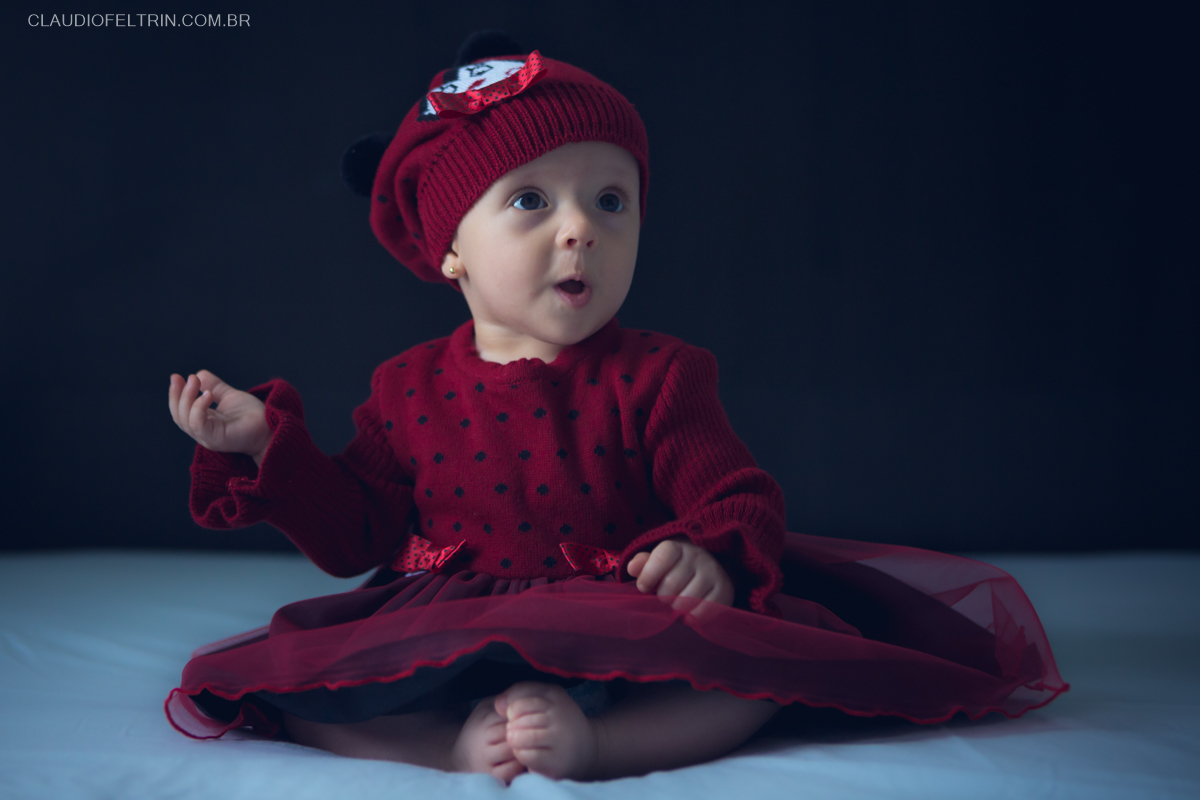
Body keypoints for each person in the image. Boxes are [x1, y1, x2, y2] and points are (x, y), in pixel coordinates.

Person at [164, 31, 1068, 784]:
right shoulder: (407, 390)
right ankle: (442, 746)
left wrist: (703, 555)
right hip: (450, 621)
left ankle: (607, 743)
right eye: (531, 199)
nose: (581, 228)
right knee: (292, 691)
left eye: (611, 200)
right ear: (451, 252)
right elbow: (356, 535)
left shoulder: (660, 376)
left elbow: (737, 495)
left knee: (755, 676)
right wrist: (262, 447)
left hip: (617, 613)